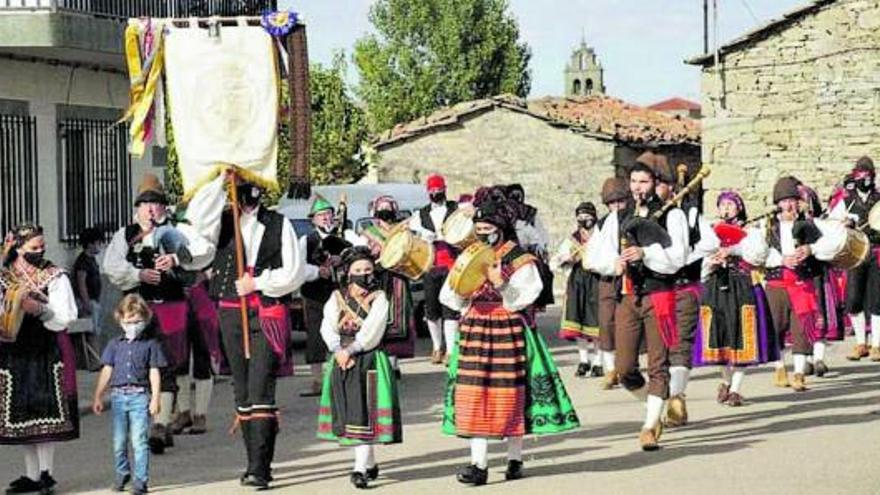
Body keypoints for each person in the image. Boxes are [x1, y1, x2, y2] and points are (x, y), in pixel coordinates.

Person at [440, 191, 579, 485]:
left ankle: (514, 458)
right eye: (478, 231)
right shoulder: (471, 254)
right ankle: (478, 464)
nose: (482, 236)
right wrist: (462, 291)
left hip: (508, 330)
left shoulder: (520, 258)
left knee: (512, 395)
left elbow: (525, 297)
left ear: (501, 229)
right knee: (473, 393)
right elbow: (450, 296)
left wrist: (502, 284)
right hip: (476, 329)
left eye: (487, 231)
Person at [186, 172, 308, 489]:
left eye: (252, 190)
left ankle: (260, 467)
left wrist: (259, 283)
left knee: (260, 388)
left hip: (266, 312)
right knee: (241, 390)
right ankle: (251, 460)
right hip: (230, 313)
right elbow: (196, 219)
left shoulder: (280, 224)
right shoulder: (222, 222)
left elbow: (293, 272)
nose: (248, 197)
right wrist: (217, 180)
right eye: (242, 190)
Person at [103, 174, 215, 454]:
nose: (151, 209)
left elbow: (204, 251)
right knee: (140, 365)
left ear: (164, 207)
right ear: (137, 208)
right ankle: (154, 421)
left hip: (173, 307)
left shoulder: (179, 230)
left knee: (168, 364)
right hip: (137, 310)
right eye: (145, 204)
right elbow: (112, 266)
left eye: (156, 204)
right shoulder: (126, 234)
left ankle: (161, 424)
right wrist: (138, 273)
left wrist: (177, 259)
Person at [585, 151, 688, 451]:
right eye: (633, 181)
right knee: (625, 367)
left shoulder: (673, 214)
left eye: (644, 181)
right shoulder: (617, 217)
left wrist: (647, 254)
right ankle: (656, 405)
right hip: (627, 295)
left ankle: (650, 425)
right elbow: (594, 255)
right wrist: (612, 264)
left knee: (658, 363)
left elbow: (678, 257)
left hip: (659, 295)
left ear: (656, 183)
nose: (637, 187)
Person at [1, 223, 79, 495]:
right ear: (18, 247)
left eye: (42, 246)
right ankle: (31, 474)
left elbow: (66, 315)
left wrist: (40, 310)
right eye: (33, 247)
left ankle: (46, 473)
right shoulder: (6, 274)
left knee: (45, 412)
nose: (40, 251)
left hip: (46, 347)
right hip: (14, 350)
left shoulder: (54, 275)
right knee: (22, 415)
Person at [316, 246, 403, 489]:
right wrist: (337, 349)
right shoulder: (337, 298)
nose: (364, 274)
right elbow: (327, 326)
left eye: (368, 269)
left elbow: (372, 332)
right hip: (342, 357)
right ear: (348, 272)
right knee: (351, 413)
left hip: (368, 358)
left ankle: (359, 469)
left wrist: (351, 349)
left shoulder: (380, 298)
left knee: (364, 414)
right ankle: (369, 463)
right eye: (358, 270)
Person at [761, 176, 845, 392]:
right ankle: (780, 368)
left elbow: (833, 242)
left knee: (802, 328)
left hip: (802, 283)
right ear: (777, 203)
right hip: (776, 283)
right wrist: (780, 259)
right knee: (775, 327)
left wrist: (811, 250)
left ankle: (799, 374)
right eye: (784, 201)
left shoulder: (810, 224)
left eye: (793, 200)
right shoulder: (767, 225)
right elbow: (758, 253)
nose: (789, 205)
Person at [695, 190, 776, 406]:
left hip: (743, 287)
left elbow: (759, 255)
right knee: (721, 338)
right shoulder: (712, 232)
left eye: (731, 204)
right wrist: (710, 262)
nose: (726, 208)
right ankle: (726, 381)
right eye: (722, 205)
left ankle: (736, 389)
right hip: (716, 287)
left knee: (742, 338)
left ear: (739, 207)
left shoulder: (751, 231)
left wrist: (734, 249)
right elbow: (699, 262)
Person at [92, 294, 166, 495]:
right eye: (128, 322)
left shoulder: (150, 344)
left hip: (139, 396)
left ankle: (140, 480)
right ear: (121, 320)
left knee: (139, 440)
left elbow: (154, 371)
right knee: (119, 440)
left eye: (137, 322)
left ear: (145, 320)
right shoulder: (115, 344)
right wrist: (98, 395)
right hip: (118, 396)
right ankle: (122, 472)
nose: (133, 325)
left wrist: (156, 398)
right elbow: (107, 369)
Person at [665, 165, 720, 428]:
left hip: (685, 286)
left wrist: (685, 256)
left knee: (680, 344)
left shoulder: (691, 215)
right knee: (659, 349)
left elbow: (711, 243)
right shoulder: (650, 215)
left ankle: (676, 397)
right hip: (656, 291)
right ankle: (659, 400)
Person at [299, 195, 354, 396]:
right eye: (320, 215)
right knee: (314, 334)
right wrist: (316, 271)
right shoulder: (306, 240)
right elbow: (297, 267)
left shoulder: (346, 235)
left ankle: (343, 374)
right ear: (313, 219)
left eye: (328, 214)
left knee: (343, 331)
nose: (325, 218)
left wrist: (344, 258)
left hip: (339, 291)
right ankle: (316, 380)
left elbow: (359, 256)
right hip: (314, 294)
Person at [827, 156, 880, 361]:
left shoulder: (878, 199)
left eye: (868, 176)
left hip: (876, 252)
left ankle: (876, 344)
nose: (864, 179)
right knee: (853, 299)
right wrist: (844, 222)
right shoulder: (846, 201)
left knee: (877, 300)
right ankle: (860, 342)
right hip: (855, 255)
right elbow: (832, 222)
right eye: (861, 175)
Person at [361, 195, 417, 376]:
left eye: (388, 207)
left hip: (398, 278)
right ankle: (381, 361)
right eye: (382, 207)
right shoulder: (369, 232)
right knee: (378, 318)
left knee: (398, 320)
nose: (385, 211)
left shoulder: (403, 231)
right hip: (377, 279)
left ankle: (394, 364)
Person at [409, 173, 460, 365]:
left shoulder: (456, 209)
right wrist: (423, 235)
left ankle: (451, 351)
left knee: (450, 309)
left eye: (439, 190)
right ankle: (437, 347)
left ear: (445, 190)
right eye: (432, 190)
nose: (436, 193)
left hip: (452, 266)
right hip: (431, 266)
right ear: (428, 192)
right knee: (431, 310)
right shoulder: (420, 214)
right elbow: (413, 236)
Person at [552, 202, 602, 377]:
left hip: (596, 279)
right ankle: (583, 360)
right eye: (580, 218)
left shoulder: (601, 236)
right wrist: (569, 258)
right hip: (577, 281)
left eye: (587, 218)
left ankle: (598, 361)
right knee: (578, 318)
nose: (584, 221)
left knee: (596, 321)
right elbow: (556, 260)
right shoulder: (573, 238)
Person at [595, 177, 630, 390]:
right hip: (608, 279)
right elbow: (594, 255)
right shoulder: (601, 225)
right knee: (606, 323)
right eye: (612, 203)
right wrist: (611, 265)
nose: (616, 206)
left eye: (620, 202)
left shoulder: (634, 220)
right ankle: (610, 369)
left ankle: (626, 365)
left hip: (630, 278)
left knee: (627, 324)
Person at [73, 227, 104, 336]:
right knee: (91, 333)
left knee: (96, 331)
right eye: (98, 243)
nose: (100, 245)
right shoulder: (83, 261)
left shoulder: (92, 260)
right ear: (90, 244)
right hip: (87, 302)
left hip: (94, 300)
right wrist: (86, 303)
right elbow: (81, 284)